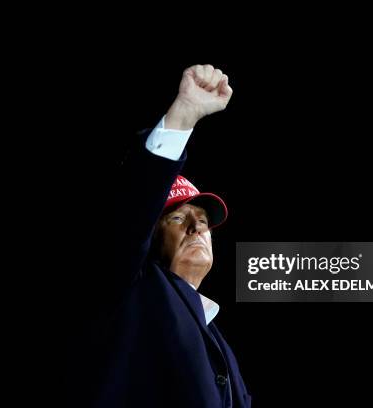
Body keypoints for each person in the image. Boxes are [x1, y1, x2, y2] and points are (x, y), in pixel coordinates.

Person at [84, 64, 251, 407]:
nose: (197, 227)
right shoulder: (130, 287)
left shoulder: (218, 339)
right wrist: (184, 115)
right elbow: (133, 209)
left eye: (203, 220)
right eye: (177, 217)